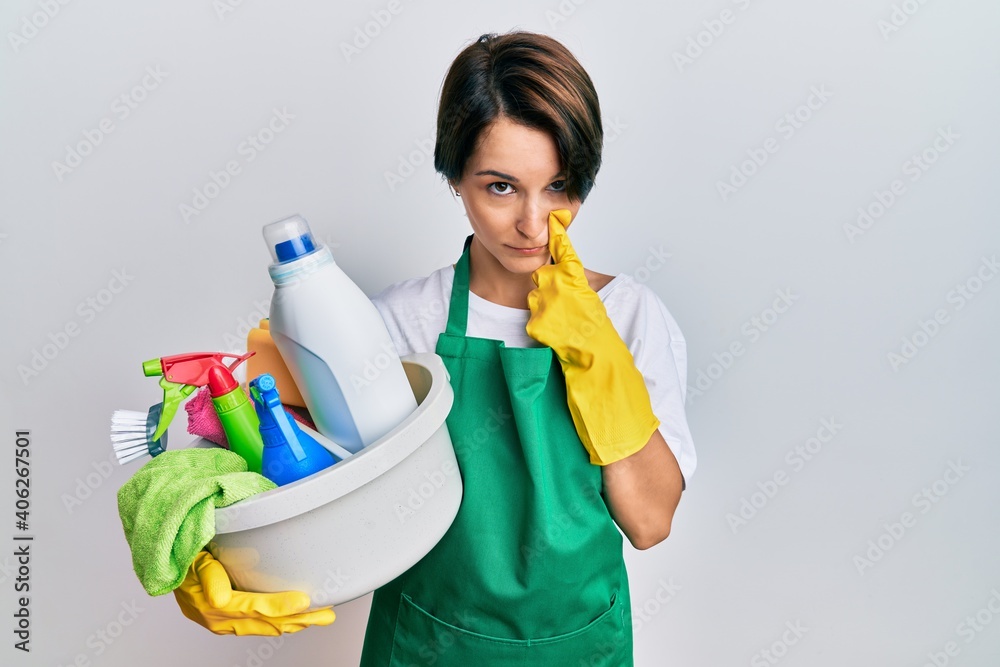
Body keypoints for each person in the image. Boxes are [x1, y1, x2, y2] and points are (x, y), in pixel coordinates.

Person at [172, 31, 696, 666]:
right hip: (425, 646)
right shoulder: (396, 325)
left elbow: (650, 522)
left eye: (558, 187)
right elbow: (272, 457)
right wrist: (201, 554)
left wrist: (598, 354)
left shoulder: (630, 316)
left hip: (577, 644)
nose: (533, 224)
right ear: (455, 178)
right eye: (500, 187)